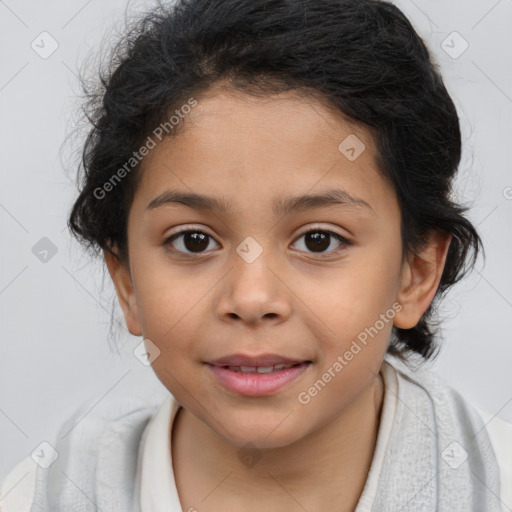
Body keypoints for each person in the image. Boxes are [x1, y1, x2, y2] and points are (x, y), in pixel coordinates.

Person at [1, 0, 511, 510]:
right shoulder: (38, 496)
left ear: (416, 274)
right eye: (193, 240)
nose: (251, 298)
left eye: (318, 240)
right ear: (127, 282)